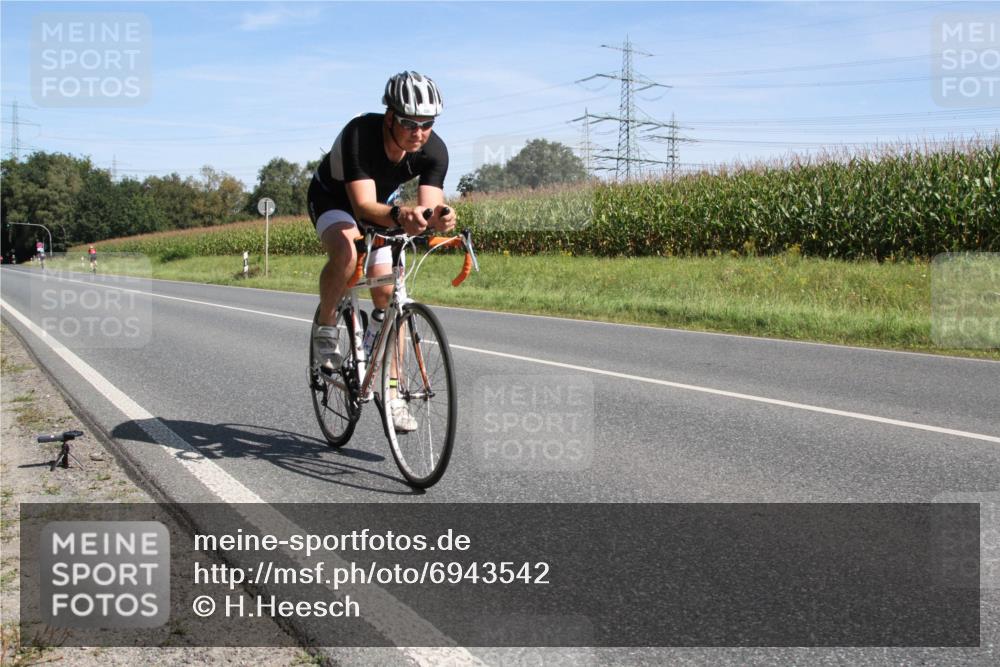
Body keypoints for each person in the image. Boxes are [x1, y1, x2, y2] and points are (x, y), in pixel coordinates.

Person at [308, 70, 455, 431]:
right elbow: (362, 208)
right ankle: (326, 325)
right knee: (347, 252)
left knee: (388, 292)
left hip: (382, 207)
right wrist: (401, 214)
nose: (418, 132)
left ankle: (392, 395)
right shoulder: (360, 135)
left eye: (427, 124)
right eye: (409, 123)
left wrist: (440, 217)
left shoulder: (434, 150)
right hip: (335, 200)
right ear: (390, 116)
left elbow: (429, 206)